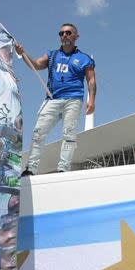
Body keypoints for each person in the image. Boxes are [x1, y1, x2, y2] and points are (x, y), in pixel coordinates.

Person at [17, 23, 96, 175]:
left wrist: (91, 100)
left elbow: (91, 80)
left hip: (73, 99)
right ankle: (30, 168)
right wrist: (23, 54)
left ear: (76, 36)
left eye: (68, 32)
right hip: (52, 98)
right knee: (38, 132)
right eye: (61, 33)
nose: (64, 35)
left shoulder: (84, 59)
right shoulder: (52, 55)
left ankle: (63, 168)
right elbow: (37, 65)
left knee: (69, 133)